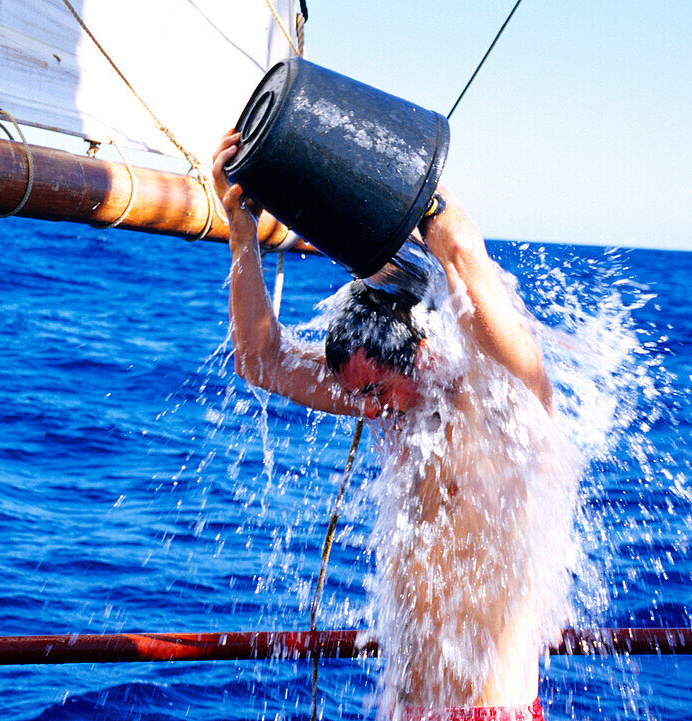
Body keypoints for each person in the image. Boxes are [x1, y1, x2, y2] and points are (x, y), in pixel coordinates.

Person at [213, 130, 572, 721]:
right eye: (362, 396)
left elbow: (464, 258)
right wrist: (241, 225)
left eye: (376, 390)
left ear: (423, 352)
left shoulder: (501, 399)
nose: (370, 410)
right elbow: (262, 361)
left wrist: (419, 193)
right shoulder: (393, 405)